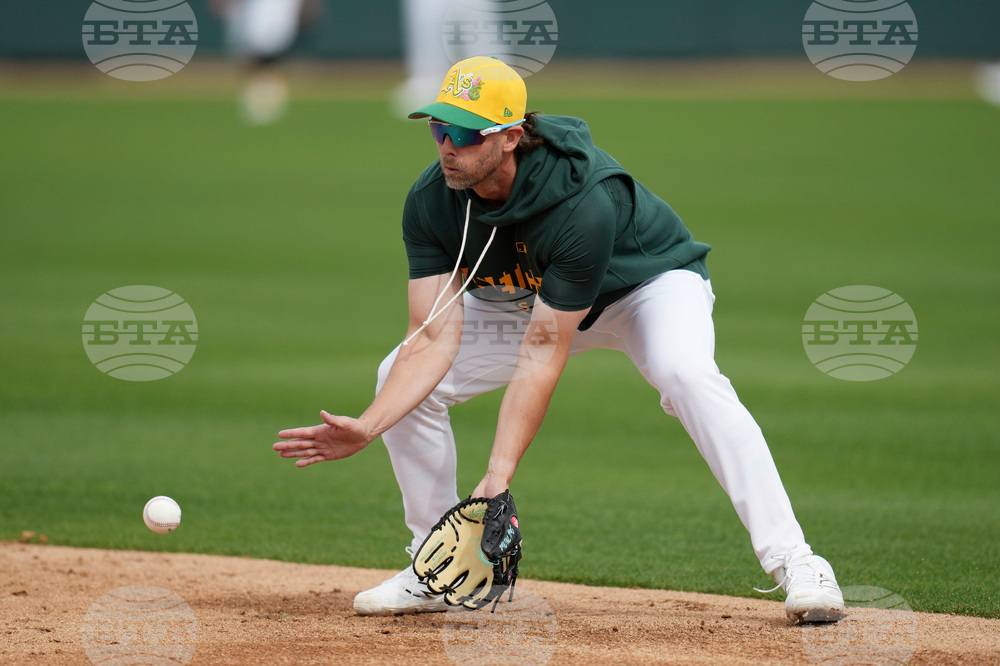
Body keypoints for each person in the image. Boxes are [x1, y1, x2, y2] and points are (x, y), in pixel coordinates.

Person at [274, 56, 845, 624]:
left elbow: (545, 352)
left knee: (686, 375)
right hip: (527, 300)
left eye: (467, 133)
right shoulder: (433, 200)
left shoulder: (580, 201)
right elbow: (428, 339)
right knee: (394, 379)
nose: (448, 146)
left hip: (643, 290)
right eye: (437, 128)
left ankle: (797, 561)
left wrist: (496, 478)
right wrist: (370, 425)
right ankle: (438, 565)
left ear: (511, 137)